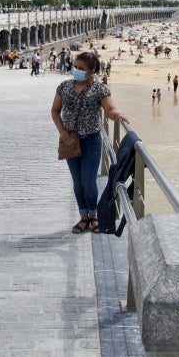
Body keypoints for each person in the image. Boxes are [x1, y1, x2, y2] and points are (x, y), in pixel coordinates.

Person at [51, 52, 128, 234]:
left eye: (81, 68)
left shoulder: (99, 89)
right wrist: (62, 132)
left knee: (88, 181)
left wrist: (117, 115)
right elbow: (55, 110)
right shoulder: (64, 87)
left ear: (92, 71)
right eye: (75, 66)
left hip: (91, 140)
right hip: (69, 140)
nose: (76, 70)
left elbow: (110, 109)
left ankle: (94, 215)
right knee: (77, 182)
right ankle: (83, 217)